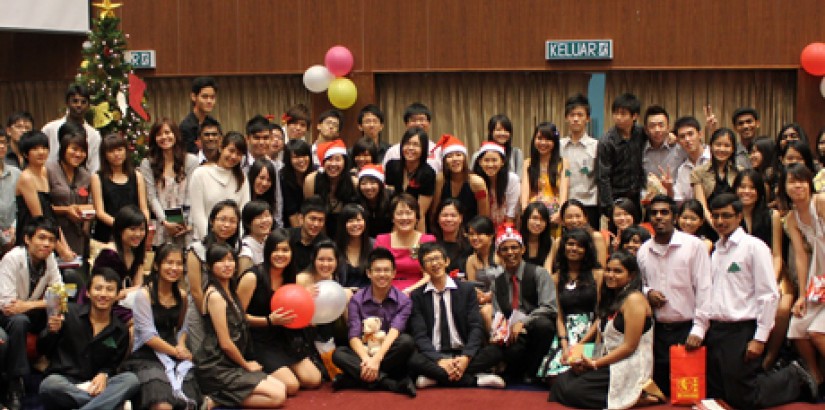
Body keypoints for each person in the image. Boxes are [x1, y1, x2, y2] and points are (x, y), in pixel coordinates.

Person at [699, 192, 816, 408]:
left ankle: (794, 377)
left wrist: (760, 337)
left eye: (726, 216)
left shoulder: (754, 247)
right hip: (717, 330)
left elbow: (768, 294)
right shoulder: (716, 251)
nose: (720, 221)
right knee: (720, 391)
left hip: (742, 328)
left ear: (738, 217)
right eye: (716, 216)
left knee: (746, 398)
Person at [551, 250, 658, 409]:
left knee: (573, 391)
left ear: (632, 276)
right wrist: (580, 359)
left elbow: (629, 347)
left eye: (617, 271)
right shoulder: (612, 298)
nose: (610, 275)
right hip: (608, 359)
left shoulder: (634, 299)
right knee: (560, 382)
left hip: (630, 364)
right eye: (608, 270)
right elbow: (602, 340)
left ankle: (638, 397)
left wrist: (595, 364)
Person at [193, 243, 287, 408]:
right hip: (217, 364)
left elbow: (242, 320)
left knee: (281, 387)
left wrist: (269, 320)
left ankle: (218, 398)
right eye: (220, 261)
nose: (227, 265)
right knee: (277, 397)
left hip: (232, 362)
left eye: (230, 260)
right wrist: (246, 364)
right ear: (209, 266)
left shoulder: (230, 289)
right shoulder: (215, 296)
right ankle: (213, 401)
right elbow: (225, 343)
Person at [637, 194, 712, 398]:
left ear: (675, 216)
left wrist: (699, 328)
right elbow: (639, 284)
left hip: (687, 330)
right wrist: (648, 293)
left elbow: (705, 288)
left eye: (664, 212)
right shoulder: (643, 251)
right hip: (658, 332)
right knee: (662, 394)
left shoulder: (694, 246)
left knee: (689, 395)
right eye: (654, 213)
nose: (659, 217)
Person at [38, 268, 139, 410]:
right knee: (49, 385)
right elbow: (42, 349)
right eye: (98, 288)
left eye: (110, 290)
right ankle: (110, 405)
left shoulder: (120, 330)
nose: (103, 294)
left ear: (117, 295)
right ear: (87, 292)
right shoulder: (68, 313)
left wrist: (104, 374)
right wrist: (51, 331)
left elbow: (112, 365)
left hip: (95, 386)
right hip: (65, 382)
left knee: (131, 380)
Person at [237, 229, 322, 396]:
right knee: (291, 386)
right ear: (267, 251)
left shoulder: (291, 278)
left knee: (313, 379)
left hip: (284, 338)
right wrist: (268, 321)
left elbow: (293, 312)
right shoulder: (253, 277)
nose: (280, 254)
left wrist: (305, 308)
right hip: (258, 340)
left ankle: (280, 368)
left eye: (285, 250)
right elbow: (236, 317)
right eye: (275, 249)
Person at [408, 242, 505, 389]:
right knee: (411, 358)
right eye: (429, 260)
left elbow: (476, 327)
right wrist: (439, 360)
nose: (434, 263)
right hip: (434, 354)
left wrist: (466, 357)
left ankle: (437, 377)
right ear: (422, 268)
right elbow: (420, 335)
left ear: (446, 261)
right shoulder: (417, 296)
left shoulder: (466, 290)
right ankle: (475, 380)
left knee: (496, 352)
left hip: (463, 352)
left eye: (437, 258)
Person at [331, 247, 417, 397]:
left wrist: (376, 360)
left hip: (389, 353)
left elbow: (394, 332)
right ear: (369, 273)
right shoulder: (356, 299)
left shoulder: (403, 300)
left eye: (386, 270)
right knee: (338, 354)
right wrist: (367, 359)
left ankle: (354, 380)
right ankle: (391, 384)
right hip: (364, 352)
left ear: (394, 273)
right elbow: (353, 335)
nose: (382, 275)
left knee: (406, 342)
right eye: (377, 270)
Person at [126, 243, 202, 409]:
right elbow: (148, 336)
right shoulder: (144, 295)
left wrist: (181, 345)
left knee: (187, 403)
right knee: (162, 405)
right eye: (169, 263)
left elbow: (182, 328)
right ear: (156, 265)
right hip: (147, 355)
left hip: (173, 353)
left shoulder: (181, 295)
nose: (174, 268)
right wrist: (176, 351)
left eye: (178, 263)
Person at [0, 217, 62, 409]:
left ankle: (51, 363)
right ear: (27, 239)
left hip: (26, 311)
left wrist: (30, 305)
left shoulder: (49, 258)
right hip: (5, 315)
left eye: (51, 240)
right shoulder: (13, 258)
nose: (47, 244)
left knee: (59, 316)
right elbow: (7, 305)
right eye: (42, 238)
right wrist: (42, 303)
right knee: (19, 321)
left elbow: (60, 293)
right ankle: (15, 382)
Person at [734, 169, 792, 369]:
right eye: (742, 187)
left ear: (759, 191)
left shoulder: (772, 215)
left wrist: (771, 280)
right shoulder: (730, 216)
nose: (746, 191)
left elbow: (777, 255)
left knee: (782, 306)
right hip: (741, 272)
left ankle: (770, 358)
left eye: (751, 187)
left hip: (772, 269)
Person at [488, 223, 557, 382]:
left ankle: (533, 372)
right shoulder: (497, 282)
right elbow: (496, 314)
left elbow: (549, 307)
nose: (510, 253)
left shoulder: (539, 273)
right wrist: (500, 331)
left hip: (535, 326)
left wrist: (523, 323)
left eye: (514, 247)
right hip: (512, 334)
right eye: (504, 249)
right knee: (508, 352)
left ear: (523, 250)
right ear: (499, 253)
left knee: (544, 326)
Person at [781, 163, 825, 390]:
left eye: (802, 180)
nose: (797, 186)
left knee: (817, 332)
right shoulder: (791, 218)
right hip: (818, 277)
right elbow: (800, 256)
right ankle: (817, 378)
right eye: (792, 181)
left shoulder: (820, 203)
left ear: (810, 183)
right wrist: (801, 295)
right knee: (798, 327)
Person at [536, 228, 601, 380]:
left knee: (583, 372)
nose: (574, 248)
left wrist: (581, 344)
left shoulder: (598, 275)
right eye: (570, 244)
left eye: (579, 245)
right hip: (565, 332)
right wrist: (565, 344)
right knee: (555, 377)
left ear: (586, 250)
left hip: (592, 331)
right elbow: (558, 316)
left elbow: (601, 314)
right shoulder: (555, 278)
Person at [185, 200, 241, 350]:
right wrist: (210, 316)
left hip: (227, 315)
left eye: (232, 221)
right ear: (211, 221)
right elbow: (196, 290)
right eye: (222, 219)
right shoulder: (196, 249)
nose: (227, 225)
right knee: (204, 357)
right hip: (201, 314)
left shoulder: (235, 251)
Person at [140, 119, 199, 248]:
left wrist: (188, 222)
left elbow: (193, 194)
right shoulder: (147, 163)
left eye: (167, 132)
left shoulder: (191, 161)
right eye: (159, 134)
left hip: (187, 224)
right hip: (161, 225)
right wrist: (165, 221)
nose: (164, 137)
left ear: (175, 135)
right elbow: (151, 196)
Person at [87, 205, 148, 323]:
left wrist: (129, 292)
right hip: (104, 303)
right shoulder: (109, 254)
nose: (138, 234)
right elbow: (103, 290)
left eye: (142, 229)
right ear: (120, 230)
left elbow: (139, 285)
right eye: (133, 229)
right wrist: (128, 292)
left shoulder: (136, 252)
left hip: (124, 302)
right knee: (139, 320)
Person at [46, 122, 93, 272]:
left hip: (79, 236)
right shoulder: (49, 170)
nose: (78, 154)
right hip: (55, 235)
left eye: (82, 151)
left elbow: (91, 203)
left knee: (77, 281)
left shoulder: (86, 175)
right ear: (64, 149)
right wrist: (66, 210)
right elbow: (43, 206)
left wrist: (86, 219)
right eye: (74, 149)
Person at [188, 132, 250, 240]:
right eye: (231, 151)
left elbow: (243, 213)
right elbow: (198, 214)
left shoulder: (242, 178)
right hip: (205, 241)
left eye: (239, 154)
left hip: (232, 243)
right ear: (221, 147)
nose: (234, 156)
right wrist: (210, 241)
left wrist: (235, 240)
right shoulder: (200, 174)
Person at [90, 134, 150, 243]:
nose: (116, 154)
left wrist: (140, 227)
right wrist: (122, 228)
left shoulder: (137, 176)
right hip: (107, 235)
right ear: (104, 155)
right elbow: (100, 212)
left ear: (126, 151)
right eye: (111, 151)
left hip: (134, 235)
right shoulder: (97, 178)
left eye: (119, 149)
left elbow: (144, 208)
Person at [374, 194, 436, 294]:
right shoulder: (382, 240)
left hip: (419, 291)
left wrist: (408, 291)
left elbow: (429, 275)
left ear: (416, 217)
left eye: (408, 213)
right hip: (387, 291)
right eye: (399, 213)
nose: (404, 218)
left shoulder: (427, 240)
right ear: (392, 218)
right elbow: (378, 273)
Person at [596, 93, 647, 217]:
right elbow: (603, 177)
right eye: (615, 113)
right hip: (615, 197)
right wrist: (609, 207)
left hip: (637, 196)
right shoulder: (607, 141)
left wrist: (672, 135)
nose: (618, 117)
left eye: (623, 114)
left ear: (634, 116)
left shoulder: (641, 133)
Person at [303, 139, 358, 237]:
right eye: (329, 159)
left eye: (337, 159)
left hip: (348, 234)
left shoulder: (354, 182)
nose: (333, 164)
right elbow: (310, 212)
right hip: (318, 233)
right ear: (323, 162)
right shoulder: (311, 180)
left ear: (345, 162)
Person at [385, 128, 436, 231]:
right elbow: (389, 197)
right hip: (391, 219)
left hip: (415, 223)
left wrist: (420, 243)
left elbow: (420, 213)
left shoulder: (428, 173)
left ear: (423, 149)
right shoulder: (392, 166)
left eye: (416, 145)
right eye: (407, 144)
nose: (410, 148)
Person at [560, 94, 599, 229]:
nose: (576, 119)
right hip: (565, 206)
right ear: (566, 118)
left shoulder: (597, 146)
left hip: (589, 205)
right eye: (572, 115)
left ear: (587, 118)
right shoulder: (559, 146)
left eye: (580, 115)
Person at [42, 83, 101, 173]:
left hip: (82, 182)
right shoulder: (50, 129)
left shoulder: (94, 135)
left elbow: (94, 167)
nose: (79, 105)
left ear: (88, 106)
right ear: (67, 103)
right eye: (75, 101)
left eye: (83, 102)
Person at [521, 122, 569, 229]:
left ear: (555, 142)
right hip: (533, 214)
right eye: (539, 138)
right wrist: (525, 209)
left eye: (548, 139)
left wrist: (561, 212)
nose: (543, 143)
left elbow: (564, 189)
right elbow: (525, 188)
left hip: (555, 215)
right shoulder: (527, 163)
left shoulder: (564, 163)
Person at [431, 134, 488, 223]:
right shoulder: (440, 179)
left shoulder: (477, 182)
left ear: (464, 158)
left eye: (458, 155)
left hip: (471, 231)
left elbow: (483, 217)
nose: (455, 159)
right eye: (449, 156)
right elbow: (435, 211)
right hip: (445, 228)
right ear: (444, 161)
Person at [691, 128, 741, 223]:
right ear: (711, 146)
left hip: (734, 223)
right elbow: (702, 206)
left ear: (733, 149)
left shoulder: (739, 171)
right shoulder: (698, 172)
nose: (722, 149)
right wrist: (717, 224)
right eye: (718, 145)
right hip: (709, 223)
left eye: (727, 146)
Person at [382, 102, 442, 172]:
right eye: (413, 120)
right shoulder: (394, 151)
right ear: (406, 124)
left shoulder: (438, 151)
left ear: (429, 123)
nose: (418, 123)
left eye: (422, 120)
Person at [548, 199, 608, 270]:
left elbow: (601, 268)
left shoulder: (596, 237)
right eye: (569, 217)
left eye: (578, 216)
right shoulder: (559, 242)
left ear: (585, 218)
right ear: (563, 221)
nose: (574, 220)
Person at [642, 105, 685, 200]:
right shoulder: (640, 151)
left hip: (674, 201)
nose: (657, 130)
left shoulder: (679, 148)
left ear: (668, 127)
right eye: (652, 126)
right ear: (646, 129)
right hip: (648, 203)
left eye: (661, 125)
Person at [473, 142, 520, 226]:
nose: (490, 165)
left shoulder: (512, 179)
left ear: (502, 162)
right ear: (480, 162)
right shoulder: (475, 180)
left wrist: (506, 232)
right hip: (483, 226)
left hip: (507, 225)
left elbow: (511, 212)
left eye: (494, 160)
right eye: (486, 160)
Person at [464, 215, 498, 330]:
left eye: (479, 234)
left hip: (502, 298)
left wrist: (491, 296)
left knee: (488, 310)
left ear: (491, 235)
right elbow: (472, 286)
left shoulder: (501, 255)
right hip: (481, 302)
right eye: (471, 234)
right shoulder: (471, 260)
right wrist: (481, 296)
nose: (474, 238)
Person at [673, 116, 710, 203]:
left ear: (700, 134)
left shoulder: (713, 157)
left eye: (690, 134)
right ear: (678, 141)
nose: (687, 139)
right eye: (682, 137)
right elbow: (679, 200)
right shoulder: (682, 170)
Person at [335, 203, 373, 289]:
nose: (355, 224)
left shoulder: (374, 245)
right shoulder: (334, 248)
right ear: (343, 224)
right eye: (350, 221)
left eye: (359, 220)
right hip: (342, 295)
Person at [287, 196, 329, 272]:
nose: (316, 224)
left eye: (320, 220)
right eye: (313, 219)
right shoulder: (286, 237)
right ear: (301, 219)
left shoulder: (326, 245)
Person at [280, 139, 316, 228]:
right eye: (296, 157)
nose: (301, 160)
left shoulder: (315, 174)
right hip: (289, 226)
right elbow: (291, 212)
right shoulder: (283, 177)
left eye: (304, 155)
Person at [179, 77, 217, 154]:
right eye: (205, 97)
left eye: (212, 97)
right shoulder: (186, 127)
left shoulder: (214, 123)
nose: (209, 101)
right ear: (193, 97)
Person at [431, 198, 470, 273]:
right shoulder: (432, 243)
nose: (449, 219)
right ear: (438, 219)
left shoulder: (470, 244)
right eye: (445, 215)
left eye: (453, 215)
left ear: (461, 218)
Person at [238, 200, 274, 274]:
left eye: (267, 216)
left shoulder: (270, 240)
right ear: (248, 223)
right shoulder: (245, 249)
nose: (264, 220)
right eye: (259, 217)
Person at [357, 164, 393, 238]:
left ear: (380, 184)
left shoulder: (392, 198)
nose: (368, 187)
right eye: (364, 183)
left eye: (373, 183)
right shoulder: (355, 201)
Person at [0, 131, 20, 256]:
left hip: (15, 237)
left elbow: (22, 205)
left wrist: (14, 227)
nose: (1, 146)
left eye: (3, 143)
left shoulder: (16, 173)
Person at [248, 158, 282, 228]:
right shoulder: (244, 196)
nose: (264, 183)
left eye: (269, 180)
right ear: (253, 176)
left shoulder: (270, 204)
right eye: (261, 178)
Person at [520, 202, 553, 269]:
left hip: (542, 278)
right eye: (534, 218)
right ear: (526, 219)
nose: (538, 223)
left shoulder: (550, 241)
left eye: (543, 219)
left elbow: (547, 269)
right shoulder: (516, 240)